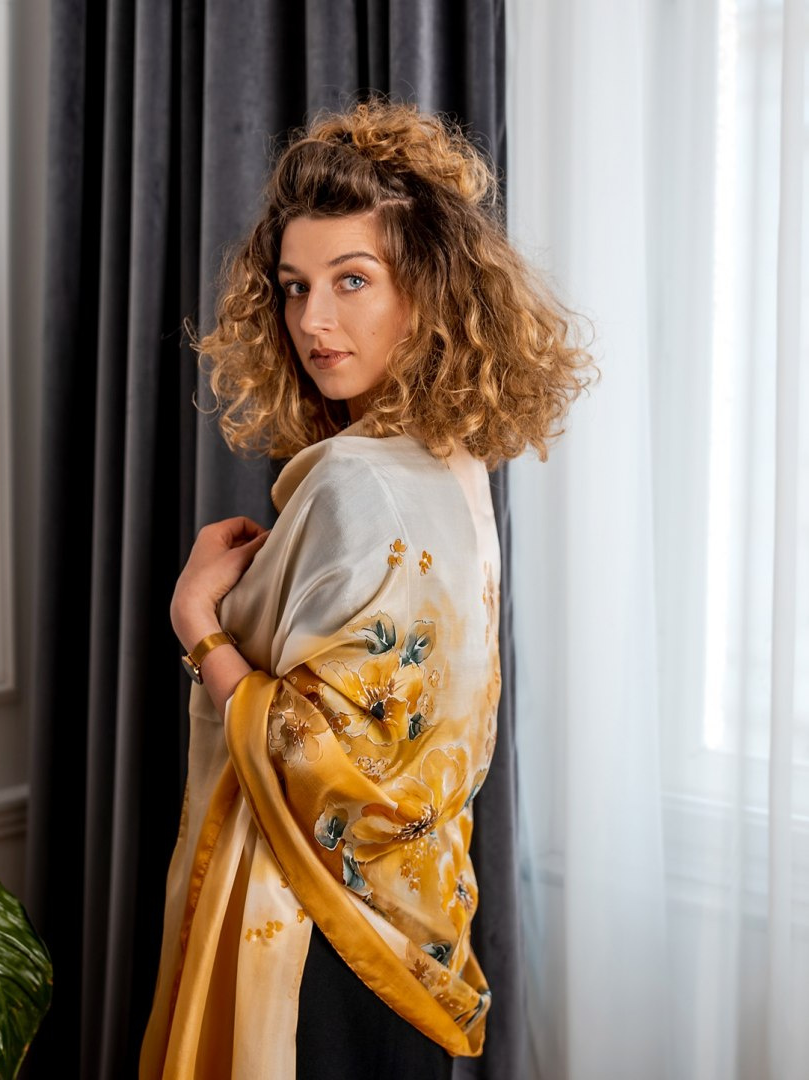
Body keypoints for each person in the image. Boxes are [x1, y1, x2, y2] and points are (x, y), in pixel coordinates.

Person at [140, 100, 593, 1080]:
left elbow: (319, 768)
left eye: (353, 280)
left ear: (425, 291)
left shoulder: (356, 480)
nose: (313, 320)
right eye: (295, 287)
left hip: (317, 951)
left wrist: (197, 624)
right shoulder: (454, 466)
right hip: (419, 941)